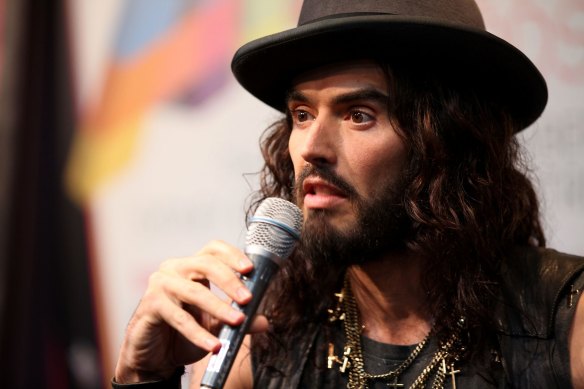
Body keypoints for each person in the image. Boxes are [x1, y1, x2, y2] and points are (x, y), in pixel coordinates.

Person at [112, 0, 584, 388]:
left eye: (358, 114)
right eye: (300, 114)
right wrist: (144, 376)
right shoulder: (262, 343)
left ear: (447, 143)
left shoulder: (566, 323)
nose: (312, 148)